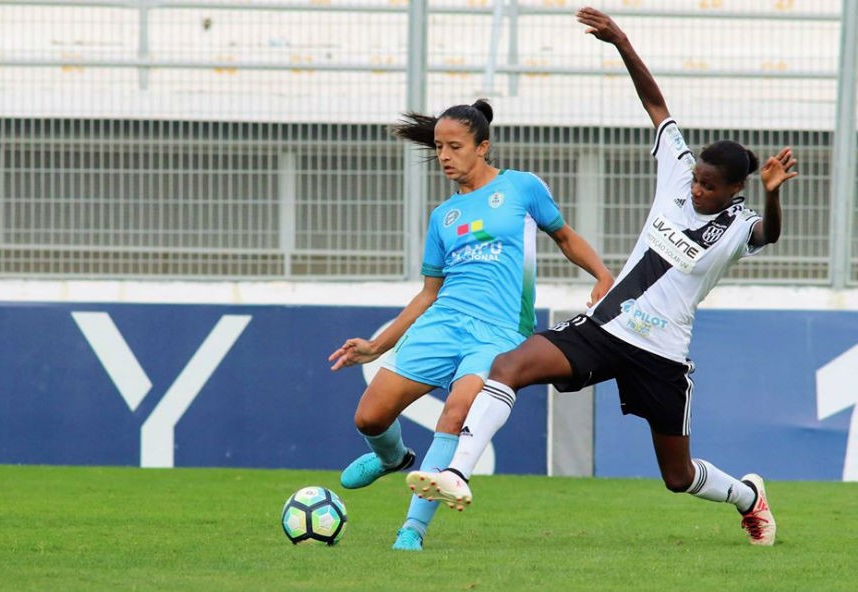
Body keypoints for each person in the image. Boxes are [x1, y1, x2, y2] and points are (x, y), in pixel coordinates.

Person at [406, 7, 798, 548]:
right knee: (510, 364)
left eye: (710, 186)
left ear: (735, 190)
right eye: (698, 179)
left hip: (661, 352)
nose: (697, 189)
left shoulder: (740, 224)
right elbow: (656, 104)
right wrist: (621, 41)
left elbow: (770, 237)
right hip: (605, 327)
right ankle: (457, 474)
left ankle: (749, 498)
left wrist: (773, 195)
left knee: (677, 477)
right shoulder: (677, 174)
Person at [328, 98, 614, 551]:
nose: (443, 155)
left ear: (483, 147)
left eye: (454, 146)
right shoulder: (443, 217)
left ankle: (412, 530)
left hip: (498, 334)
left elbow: (564, 236)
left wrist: (603, 275)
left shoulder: (521, 188)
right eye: (439, 146)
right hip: (442, 325)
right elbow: (428, 292)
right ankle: (392, 458)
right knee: (369, 416)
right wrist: (378, 346)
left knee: (457, 410)